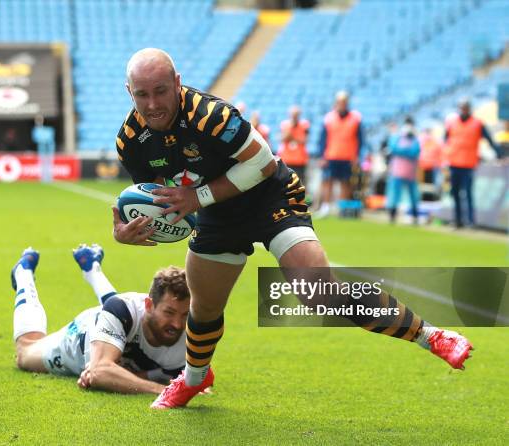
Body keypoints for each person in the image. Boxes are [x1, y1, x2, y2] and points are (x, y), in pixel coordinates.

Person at [113, 48, 473, 409]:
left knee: (318, 291)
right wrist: (131, 230)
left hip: (269, 197)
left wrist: (199, 196)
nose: (153, 103)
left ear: (178, 83)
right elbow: (157, 198)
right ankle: (194, 378)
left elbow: (263, 164)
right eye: (142, 94)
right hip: (215, 211)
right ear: (130, 92)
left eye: (161, 90)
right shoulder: (130, 140)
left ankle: (431, 336)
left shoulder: (211, 115)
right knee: (204, 305)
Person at [10, 243, 209, 395]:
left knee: (121, 318)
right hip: (81, 339)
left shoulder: (189, 333)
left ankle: (91, 267)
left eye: (185, 314)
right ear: (149, 305)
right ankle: (23, 273)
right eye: (169, 312)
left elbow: (188, 379)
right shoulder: (123, 308)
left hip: (118, 327)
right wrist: (164, 391)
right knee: (25, 352)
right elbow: (100, 373)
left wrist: (118, 376)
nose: (177, 324)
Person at [444, 98, 503, 228]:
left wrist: (500, 153)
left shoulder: (477, 123)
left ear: (469, 108)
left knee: (468, 193)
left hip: (469, 164)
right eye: (462, 107)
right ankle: (458, 220)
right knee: (455, 193)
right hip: (454, 163)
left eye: (465, 107)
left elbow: (489, 140)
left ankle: (470, 221)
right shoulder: (452, 123)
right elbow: (446, 140)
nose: (463, 110)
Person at [317, 91, 365, 217]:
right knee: (328, 181)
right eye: (339, 102)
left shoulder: (355, 119)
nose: (342, 104)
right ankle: (325, 207)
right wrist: (322, 156)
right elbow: (322, 139)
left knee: (345, 183)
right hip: (331, 155)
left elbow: (360, 140)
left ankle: (343, 208)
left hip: (348, 157)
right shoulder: (329, 118)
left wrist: (358, 155)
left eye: (344, 102)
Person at [386, 117, 421, 224]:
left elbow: (414, 152)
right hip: (397, 171)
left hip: (410, 173)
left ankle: (415, 215)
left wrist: (402, 152)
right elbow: (393, 148)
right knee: (394, 194)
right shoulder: (397, 137)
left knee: (413, 195)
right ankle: (392, 214)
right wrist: (405, 152)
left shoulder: (415, 139)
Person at [278, 105, 309, 184]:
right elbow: (281, 138)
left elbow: (305, 140)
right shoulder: (285, 125)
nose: (294, 116)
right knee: (286, 183)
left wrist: (292, 138)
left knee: (300, 182)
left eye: (296, 114)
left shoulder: (304, 125)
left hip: (300, 159)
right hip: (287, 159)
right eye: (293, 114)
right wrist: (289, 130)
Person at [418, 126, 444, 193]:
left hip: (431, 165)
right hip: (426, 165)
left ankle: (436, 191)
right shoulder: (423, 141)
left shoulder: (435, 141)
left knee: (436, 180)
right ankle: (436, 192)